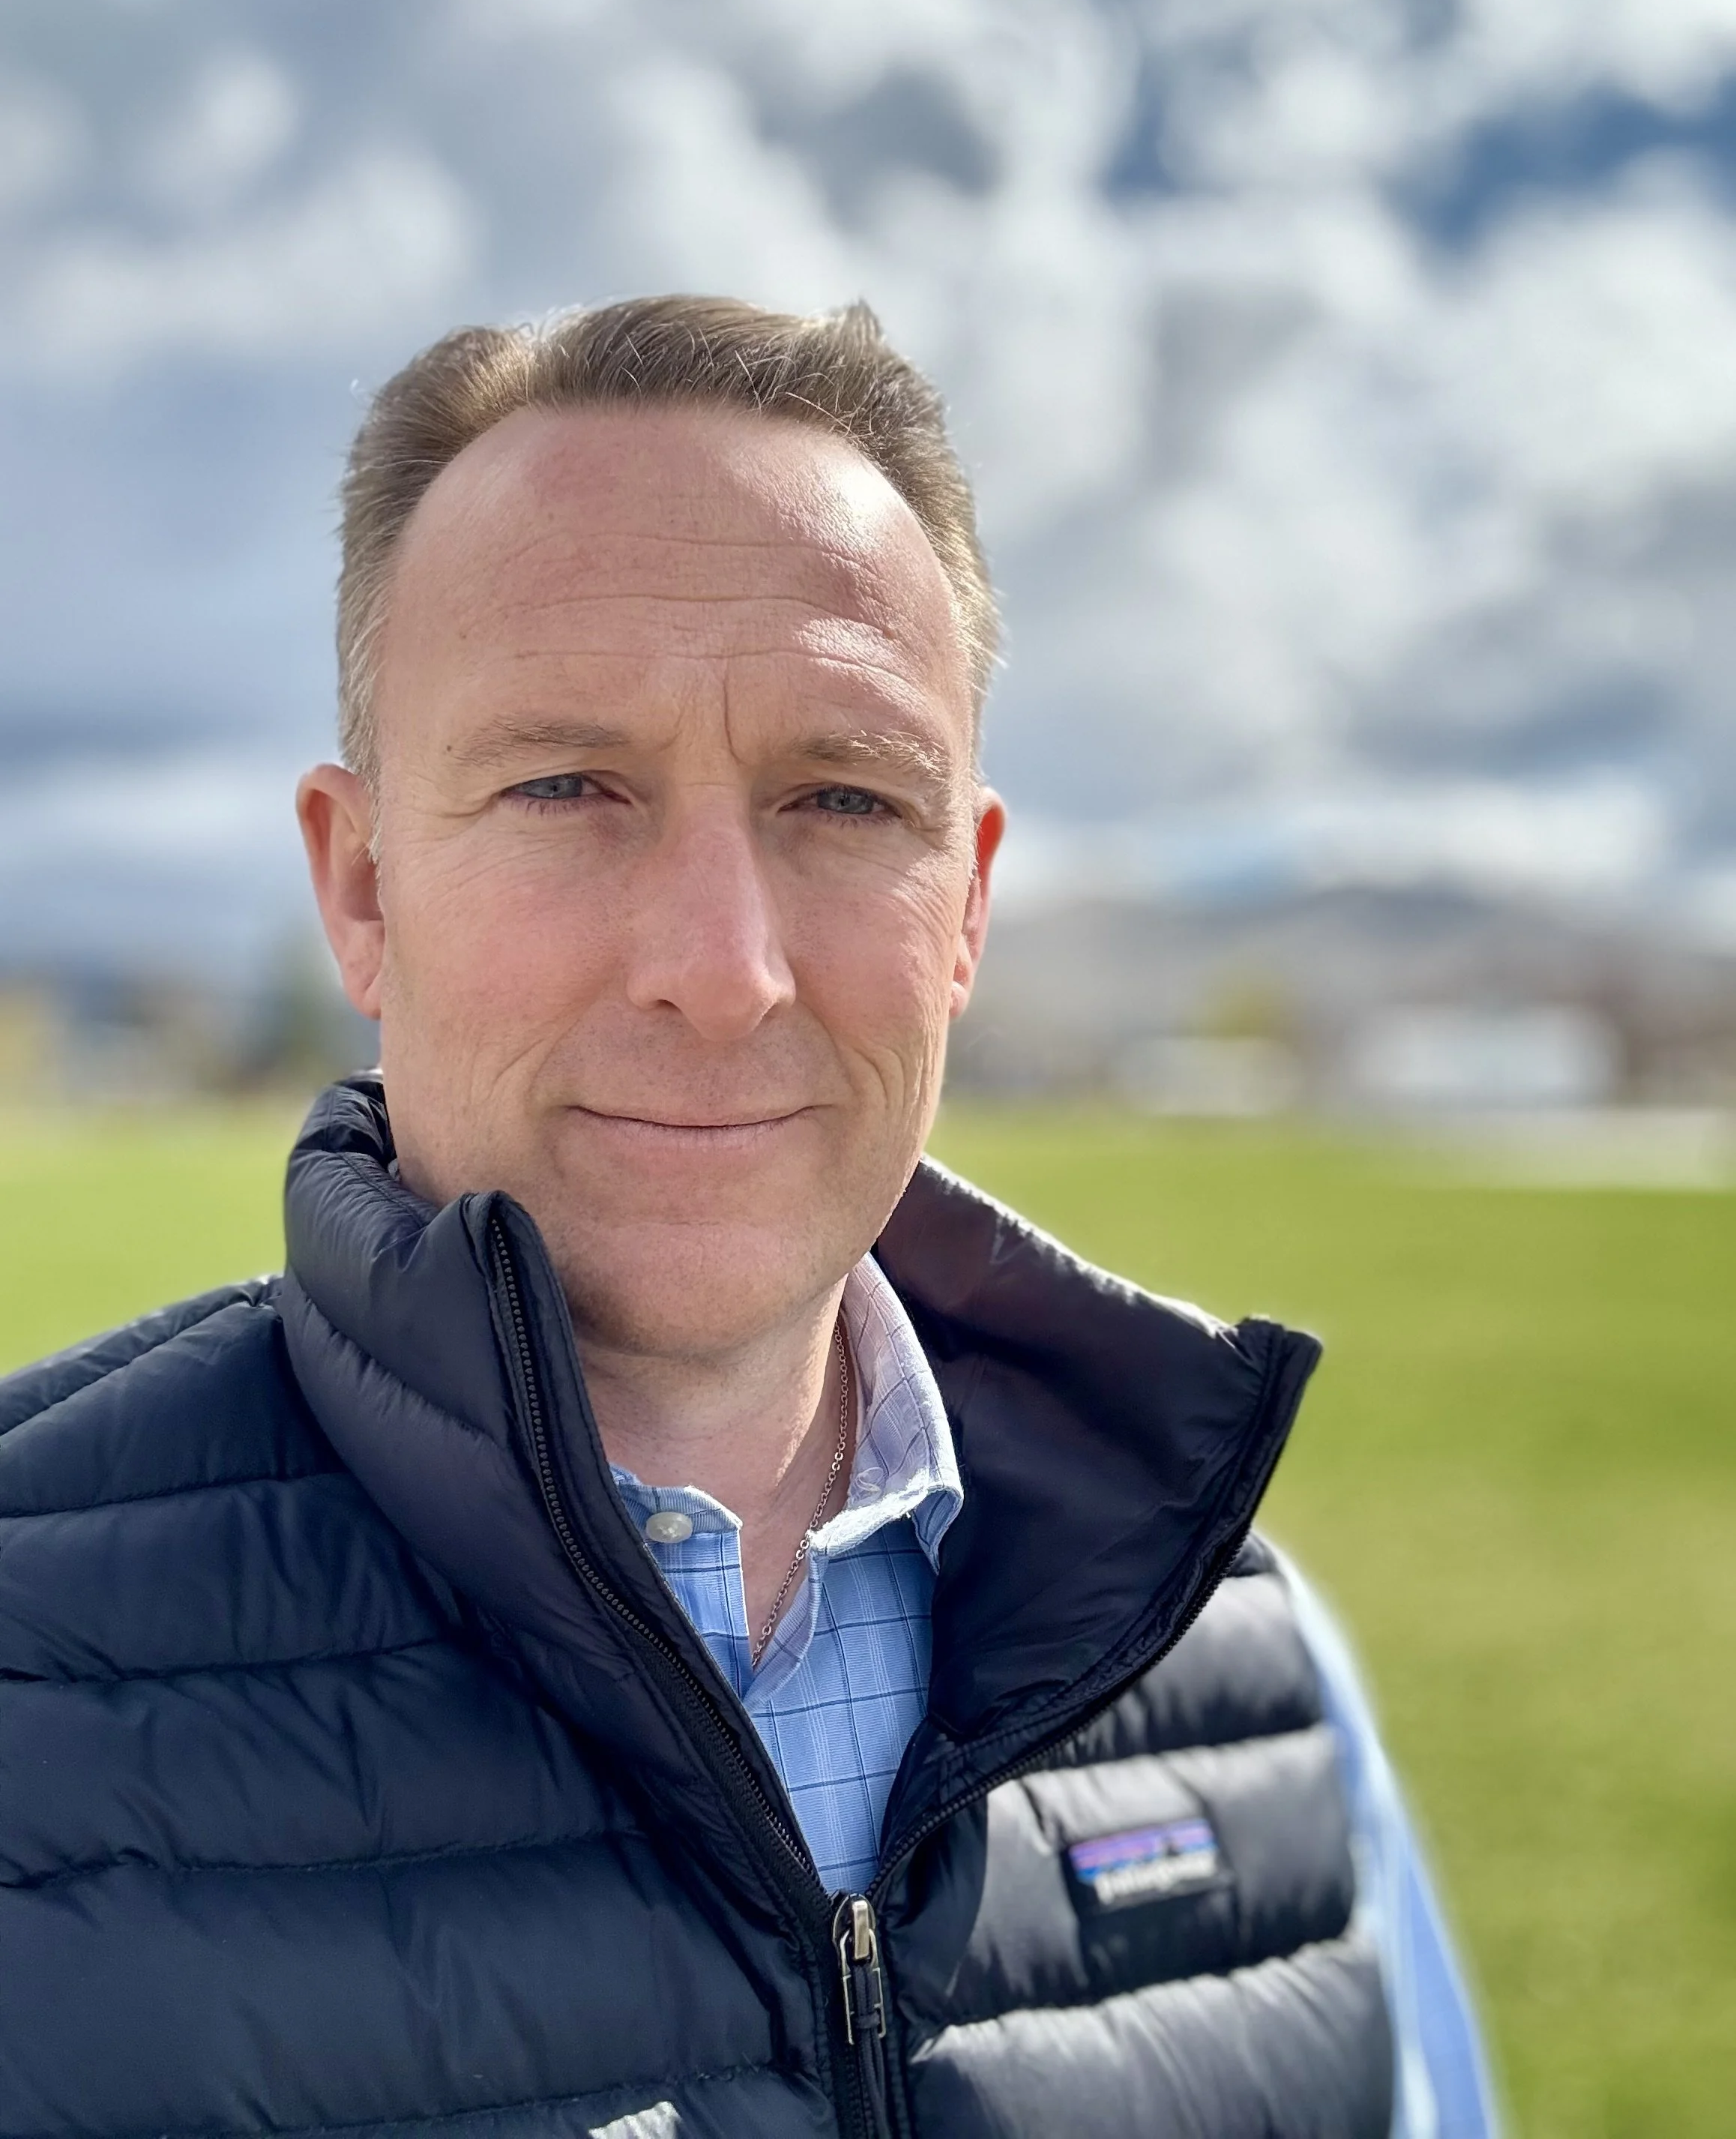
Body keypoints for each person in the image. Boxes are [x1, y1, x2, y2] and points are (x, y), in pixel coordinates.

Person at [0, 297, 1498, 2139]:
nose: (724, 968)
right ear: (363, 881)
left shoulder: (1249, 1682)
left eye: (844, 796)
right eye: (569, 786)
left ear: (965, 905)